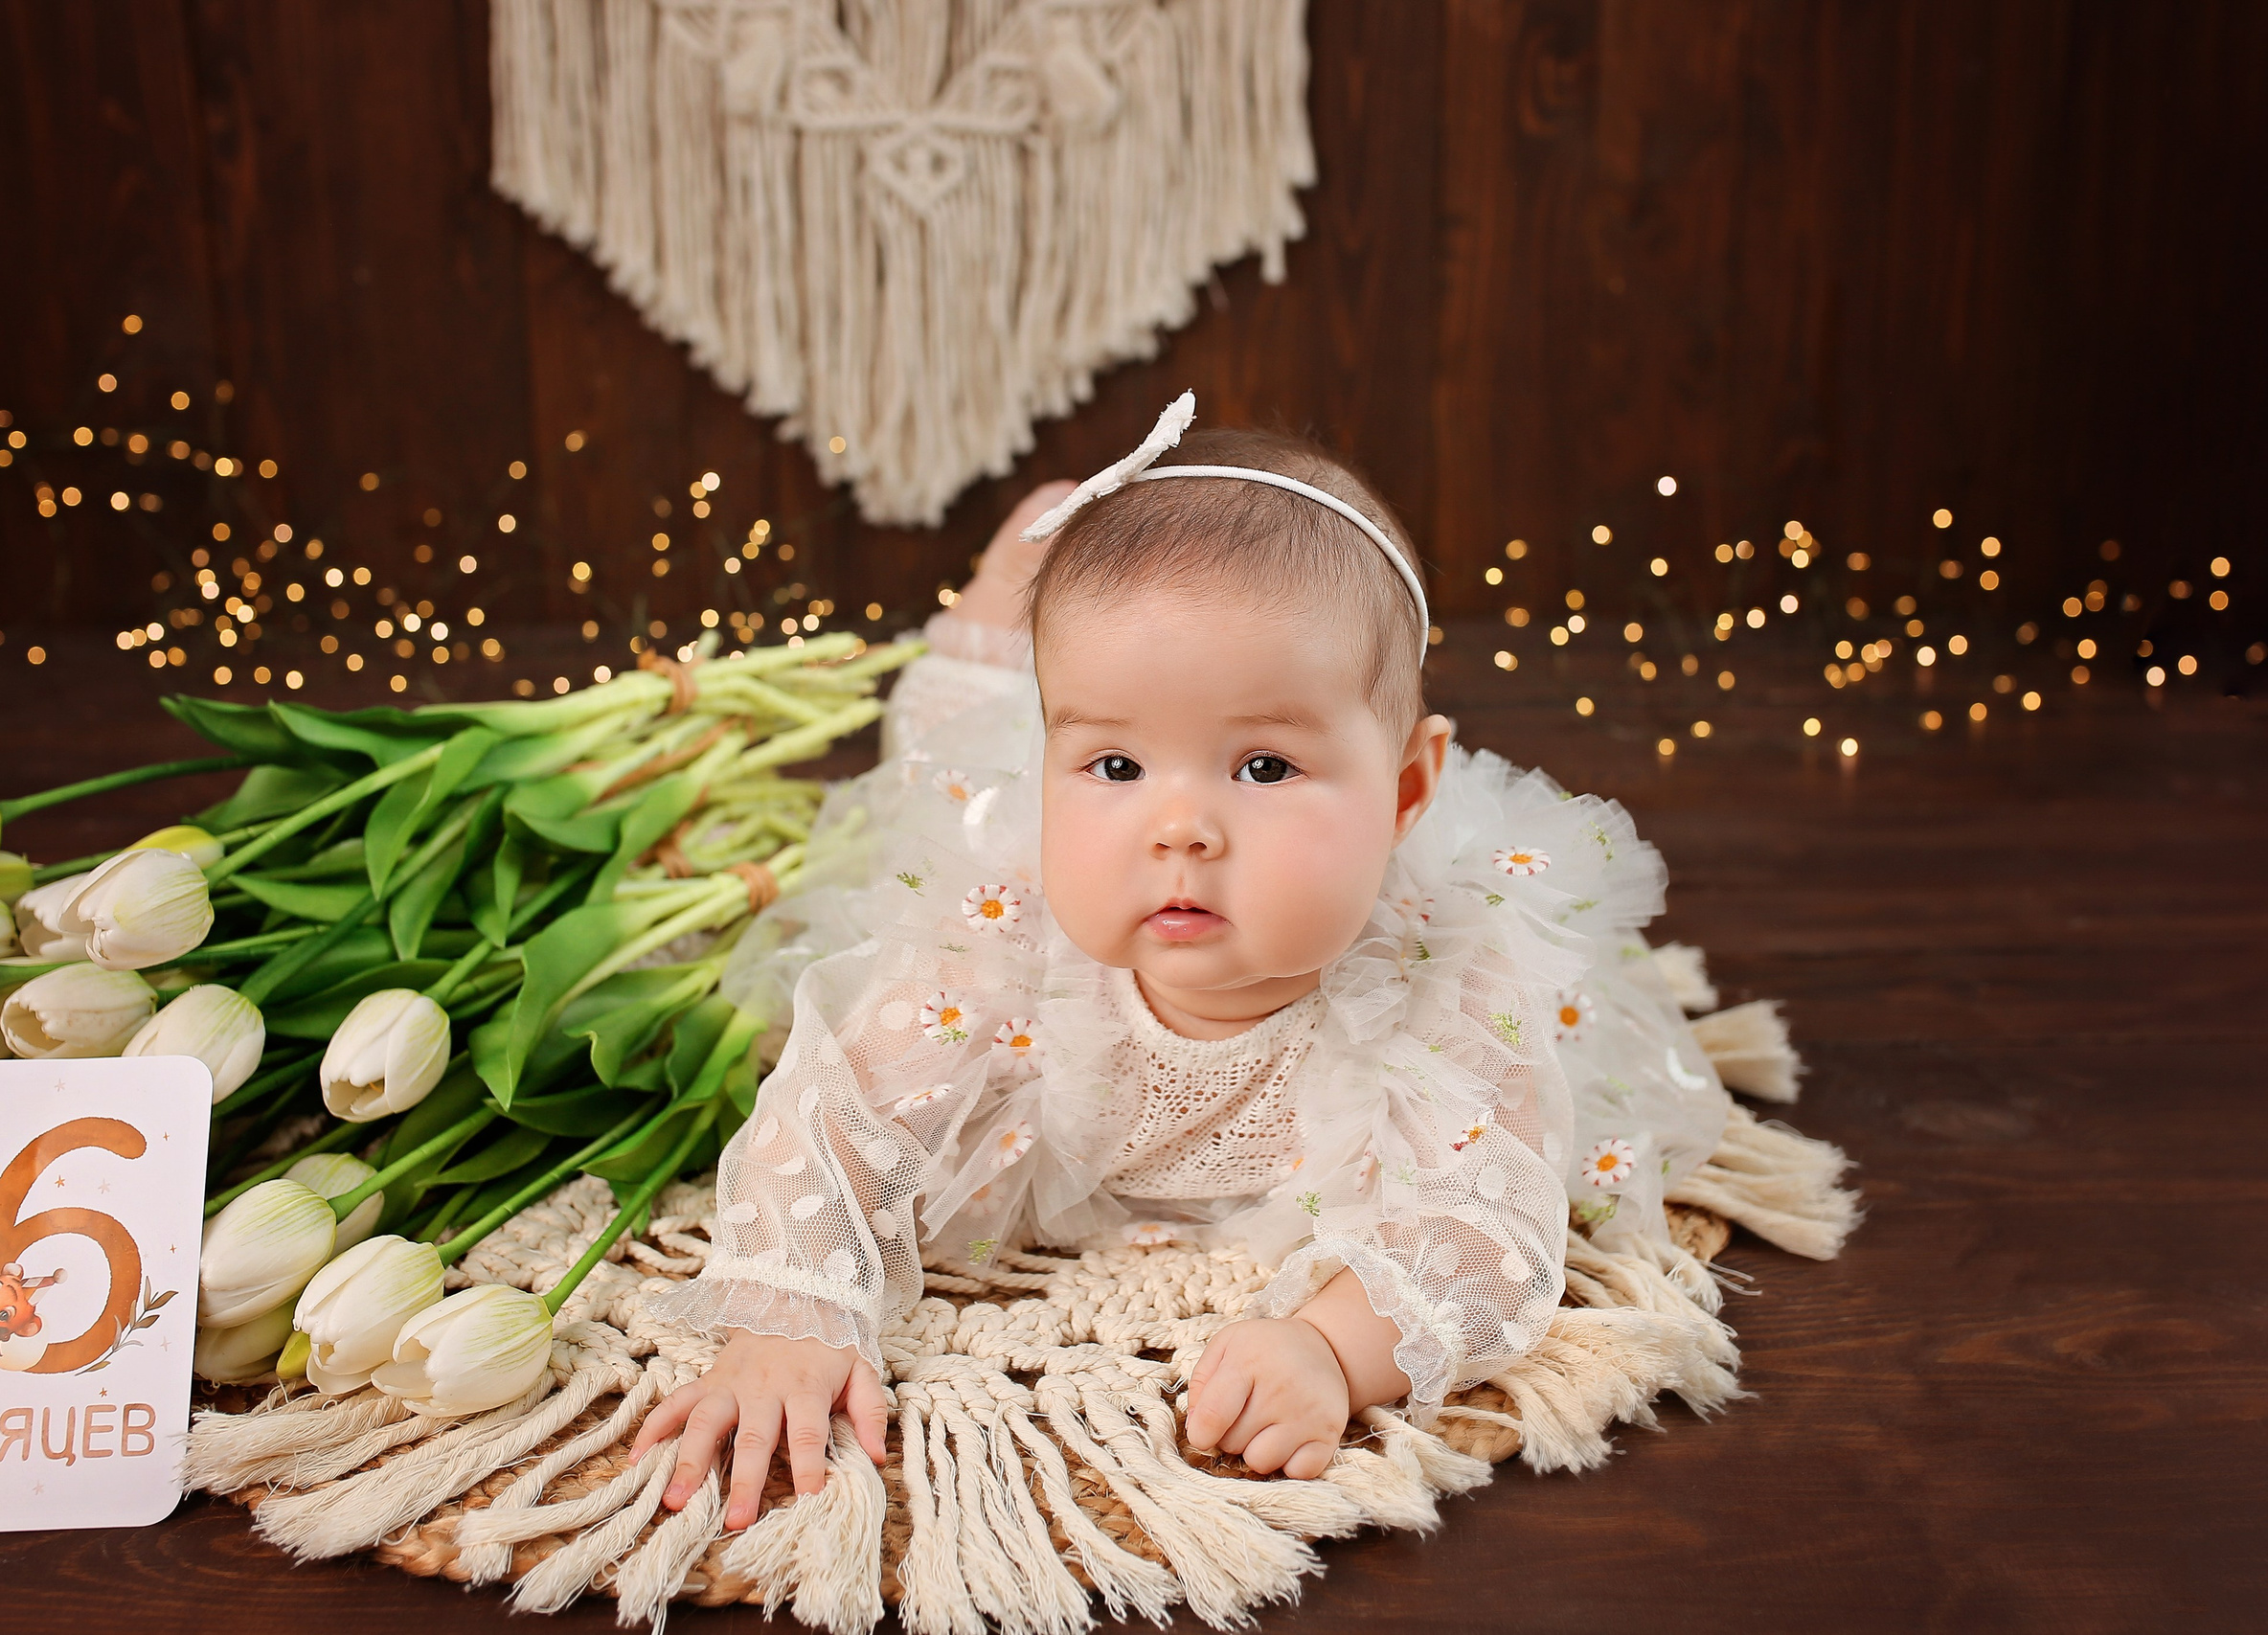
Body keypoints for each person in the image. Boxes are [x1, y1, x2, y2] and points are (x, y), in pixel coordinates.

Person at [633, 393, 1814, 1531]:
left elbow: (1484, 1231)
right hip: (1001, 796)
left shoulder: (1449, 979)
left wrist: (1335, 1348)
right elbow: (839, 1116)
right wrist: (794, 1309)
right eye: (1111, 770)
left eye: (1260, 769)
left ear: (1406, 791)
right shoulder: (1000, 932)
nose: (1179, 828)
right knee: (944, 748)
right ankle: (1003, 617)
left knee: (1068, 721)